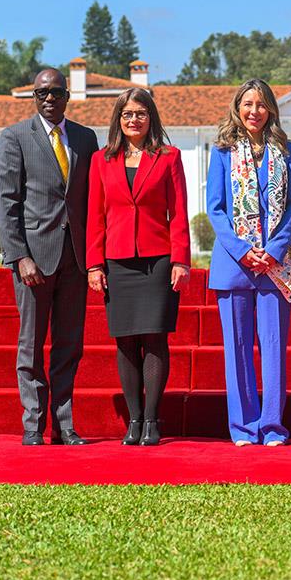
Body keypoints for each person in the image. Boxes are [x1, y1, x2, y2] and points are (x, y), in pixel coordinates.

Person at [0, 68, 100, 446]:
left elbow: (93, 200)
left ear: (68, 96)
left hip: (75, 259)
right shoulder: (16, 137)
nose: (49, 99)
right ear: (34, 98)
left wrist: (95, 257)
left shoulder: (86, 139)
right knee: (31, 344)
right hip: (33, 261)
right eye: (42, 94)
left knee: (70, 344)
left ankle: (65, 424)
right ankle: (33, 425)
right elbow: (6, 203)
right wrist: (19, 256)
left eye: (56, 92)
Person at [86, 88, 191, 446]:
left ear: (151, 118)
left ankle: (152, 420)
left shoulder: (168, 157)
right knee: (126, 343)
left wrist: (181, 260)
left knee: (156, 339)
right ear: (118, 118)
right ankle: (133, 420)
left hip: (158, 260)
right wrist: (93, 265)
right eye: (127, 114)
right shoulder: (102, 160)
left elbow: (178, 213)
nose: (134, 120)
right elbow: (95, 216)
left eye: (141, 114)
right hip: (116, 262)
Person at [206, 79, 291, 447]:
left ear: (271, 110)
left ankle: (273, 426)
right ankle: (244, 427)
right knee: (238, 348)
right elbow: (215, 208)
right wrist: (243, 249)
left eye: (261, 105)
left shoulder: (286, 150)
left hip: (276, 265)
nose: (254, 111)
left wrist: (274, 249)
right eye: (248, 104)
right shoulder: (223, 151)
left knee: (274, 347)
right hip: (235, 264)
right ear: (237, 107)